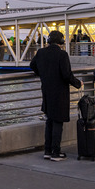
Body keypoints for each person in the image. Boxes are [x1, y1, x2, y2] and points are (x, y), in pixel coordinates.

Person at [30, 30, 82, 161]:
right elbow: (66, 74)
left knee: (49, 121)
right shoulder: (62, 54)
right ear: (61, 41)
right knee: (58, 121)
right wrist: (78, 83)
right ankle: (56, 152)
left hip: (46, 91)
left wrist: (42, 73)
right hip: (59, 92)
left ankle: (47, 150)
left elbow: (32, 65)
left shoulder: (41, 52)